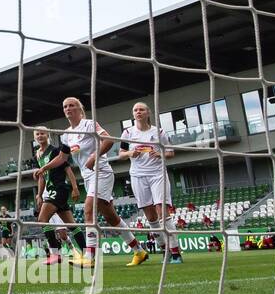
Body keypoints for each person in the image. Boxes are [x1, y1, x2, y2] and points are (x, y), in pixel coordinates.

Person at [57, 97, 142, 267]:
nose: (68, 108)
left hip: (101, 172)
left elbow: (109, 140)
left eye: (72, 105)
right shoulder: (66, 135)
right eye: (65, 106)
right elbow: (62, 157)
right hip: (88, 177)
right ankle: (139, 251)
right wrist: (44, 168)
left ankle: (90, 257)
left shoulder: (89, 124)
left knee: (88, 210)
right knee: (111, 217)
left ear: (80, 108)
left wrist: (94, 156)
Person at [118, 102, 183, 264]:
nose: (138, 112)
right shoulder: (127, 133)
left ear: (148, 113)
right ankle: (165, 249)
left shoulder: (159, 131)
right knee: (150, 216)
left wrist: (159, 153)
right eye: (135, 110)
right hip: (138, 176)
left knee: (162, 212)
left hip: (157, 174)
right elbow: (121, 154)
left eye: (141, 109)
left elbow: (170, 152)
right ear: (133, 114)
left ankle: (176, 252)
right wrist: (131, 153)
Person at [30, 125, 82, 265]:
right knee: (71, 225)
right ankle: (87, 254)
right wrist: (39, 195)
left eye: (42, 133)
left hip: (59, 188)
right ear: (34, 137)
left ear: (48, 135)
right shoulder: (38, 154)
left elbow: (68, 170)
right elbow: (42, 176)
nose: (40, 136)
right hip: (51, 190)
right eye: (37, 134)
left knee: (42, 219)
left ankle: (55, 254)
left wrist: (75, 187)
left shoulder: (55, 151)